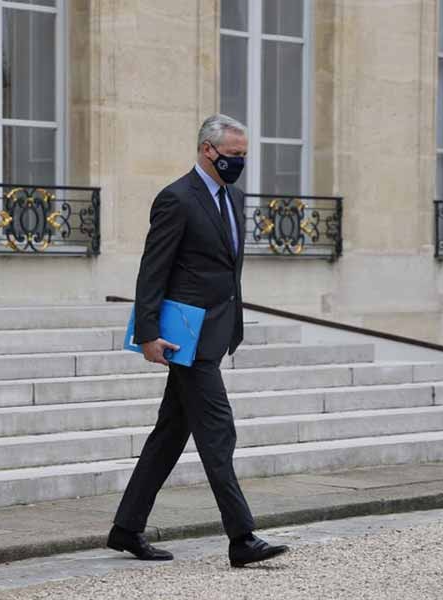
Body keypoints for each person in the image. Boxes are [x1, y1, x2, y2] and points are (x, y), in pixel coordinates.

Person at [106, 114, 289, 568]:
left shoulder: (235, 197)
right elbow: (154, 269)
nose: (239, 163)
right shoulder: (176, 199)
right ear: (208, 150)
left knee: (169, 434)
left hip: (217, 329)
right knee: (217, 430)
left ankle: (126, 529)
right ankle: (242, 537)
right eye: (233, 155)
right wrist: (147, 332)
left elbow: (226, 268)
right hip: (186, 339)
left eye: (244, 156)